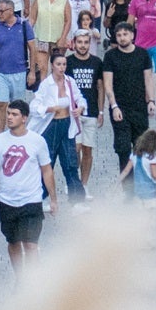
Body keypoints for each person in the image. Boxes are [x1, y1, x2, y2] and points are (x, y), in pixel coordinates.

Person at [0, 99, 56, 272]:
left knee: (31, 245)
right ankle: (19, 276)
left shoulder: (37, 141)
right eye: (8, 113)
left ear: (24, 118)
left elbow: (47, 170)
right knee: (14, 242)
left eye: (14, 114)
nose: (9, 117)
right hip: (7, 201)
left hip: (31, 200)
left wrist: (53, 198)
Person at [28, 49, 88, 202]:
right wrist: (49, 109)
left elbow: (80, 97)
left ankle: (77, 200)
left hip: (67, 124)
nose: (62, 67)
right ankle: (39, 198)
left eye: (64, 64)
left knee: (71, 163)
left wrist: (80, 107)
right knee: (48, 162)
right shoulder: (46, 85)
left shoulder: (69, 82)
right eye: (58, 64)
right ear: (52, 65)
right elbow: (34, 106)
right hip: (52, 125)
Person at [102, 20, 156, 172]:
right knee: (123, 148)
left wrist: (151, 101)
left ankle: (142, 185)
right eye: (118, 35)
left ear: (132, 35)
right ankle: (128, 189)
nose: (122, 38)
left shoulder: (142, 54)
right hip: (120, 109)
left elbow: (148, 79)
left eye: (125, 34)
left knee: (142, 147)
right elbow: (108, 84)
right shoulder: (110, 56)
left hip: (139, 108)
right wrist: (114, 106)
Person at [62, 30, 106, 193]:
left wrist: (101, 112)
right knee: (75, 148)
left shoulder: (96, 62)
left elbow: (100, 87)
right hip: (73, 114)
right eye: (79, 42)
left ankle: (84, 184)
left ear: (90, 43)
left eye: (86, 42)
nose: (82, 45)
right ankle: (72, 181)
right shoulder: (68, 62)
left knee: (88, 149)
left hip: (91, 112)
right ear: (74, 43)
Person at [0, 0, 36, 107]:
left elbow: (32, 49)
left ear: (11, 11)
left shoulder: (24, 25)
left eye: (1, 11)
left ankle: (17, 124)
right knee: (0, 104)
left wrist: (32, 72)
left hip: (19, 71)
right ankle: (0, 125)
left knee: (17, 106)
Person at [121, 127, 156, 206]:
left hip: (138, 193)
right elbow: (155, 175)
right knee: (151, 215)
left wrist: (117, 183)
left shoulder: (134, 155)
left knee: (139, 215)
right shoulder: (152, 157)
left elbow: (126, 171)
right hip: (150, 194)